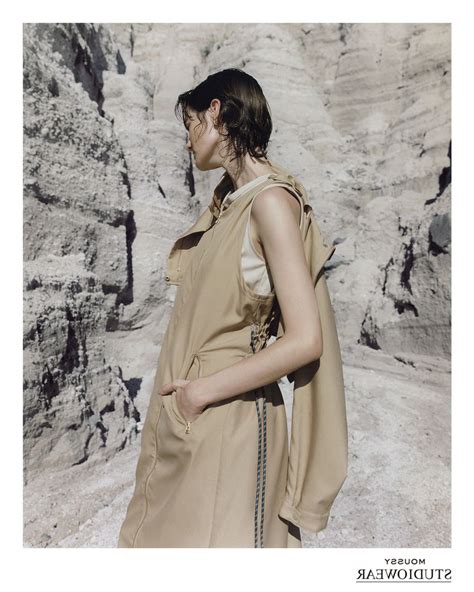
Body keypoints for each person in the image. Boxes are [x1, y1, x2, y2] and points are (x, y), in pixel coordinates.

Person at [117, 68, 347, 548]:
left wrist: (200, 393)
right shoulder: (230, 205)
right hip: (198, 423)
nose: (187, 141)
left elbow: (305, 340)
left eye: (190, 125)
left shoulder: (270, 203)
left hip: (232, 422)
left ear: (217, 112)